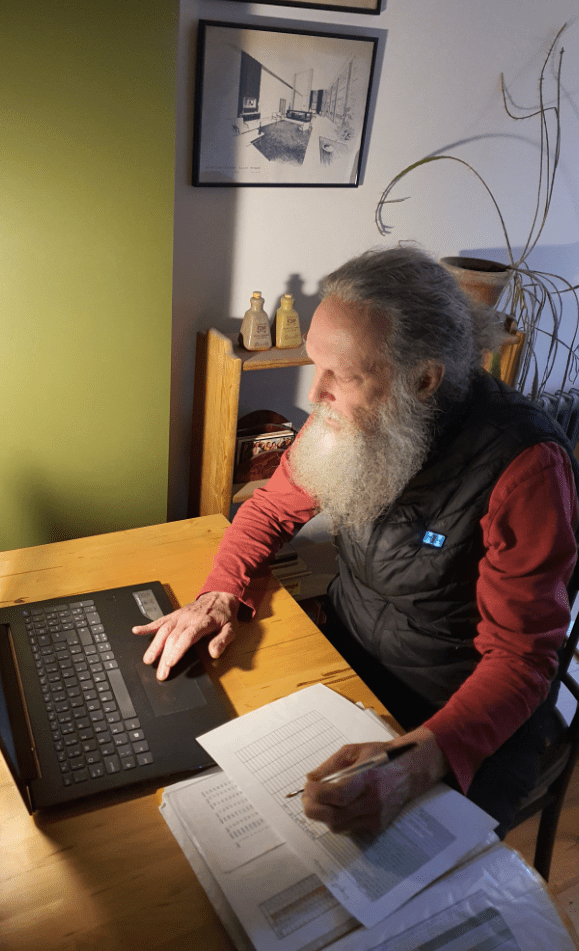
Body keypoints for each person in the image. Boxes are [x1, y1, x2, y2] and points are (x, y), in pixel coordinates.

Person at [134, 246, 579, 838]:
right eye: (315, 364)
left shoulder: (526, 468)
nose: (315, 395)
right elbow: (269, 508)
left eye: (340, 374)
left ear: (422, 380)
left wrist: (420, 757)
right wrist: (218, 594)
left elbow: (521, 661)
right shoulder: (351, 415)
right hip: (348, 660)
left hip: (456, 712)